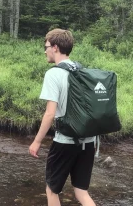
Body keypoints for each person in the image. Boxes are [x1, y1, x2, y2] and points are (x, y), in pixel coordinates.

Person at [29, 29, 97, 206]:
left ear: (55, 47)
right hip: (88, 142)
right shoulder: (83, 71)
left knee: (52, 190)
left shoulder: (54, 74)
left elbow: (50, 113)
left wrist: (37, 141)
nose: (45, 51)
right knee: (82, 193)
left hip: (65, 142)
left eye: (46, 47)